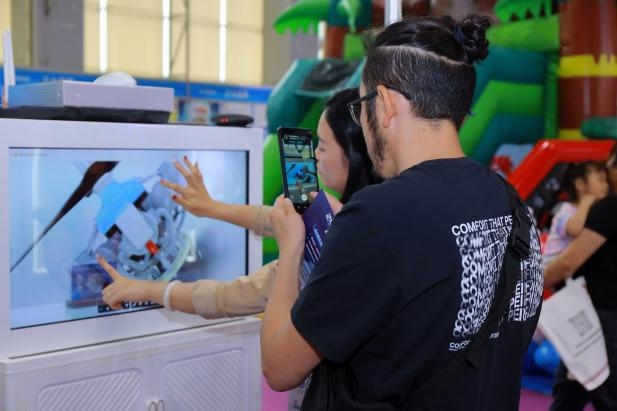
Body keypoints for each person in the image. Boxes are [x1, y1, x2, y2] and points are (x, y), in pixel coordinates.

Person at [261, 15, 544, 411]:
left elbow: (279, 367)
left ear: (386, 104)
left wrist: (291, 250)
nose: (362, 123)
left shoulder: (378, 216)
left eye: (361, 106)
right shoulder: (514, 205)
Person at [97, 87, 381, 316]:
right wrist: (212, 208)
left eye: (323, 147)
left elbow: (229, 296)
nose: (314, 155)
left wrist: (146, 290)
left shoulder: (336, 239)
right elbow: (270, 219)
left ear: (355, 155)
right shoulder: (373, 209)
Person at [544, 149, 617, 411]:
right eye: (599, 177)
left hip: (600, 316)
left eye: (606, 171)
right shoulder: (576, 209)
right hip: (589, 313)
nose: (605, 180)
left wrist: (532, 283)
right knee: (570, 390)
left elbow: (567, 263)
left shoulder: (608, 208)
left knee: (603, 392)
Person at [542, 161, 609, 266]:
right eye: (600, 180)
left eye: (606, 181)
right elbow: (574, 229)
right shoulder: (565, 210)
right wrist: (586, 201)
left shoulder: (592, 210)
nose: (606, 185)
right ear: (580, 184)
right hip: (551, 266)